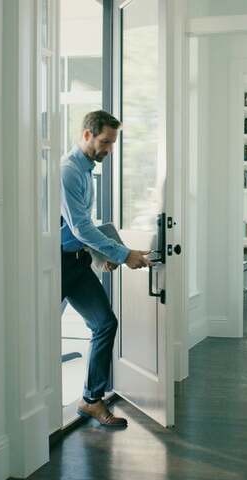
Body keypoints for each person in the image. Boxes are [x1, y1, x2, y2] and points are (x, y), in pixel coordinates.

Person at [61, 110, 151, 428]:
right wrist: (125, 254)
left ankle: (91, 401)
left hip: (77, 262)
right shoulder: (69, 171)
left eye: (112, 143)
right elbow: (81, 227)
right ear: (87, 134)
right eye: (104, 142)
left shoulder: (87, 172)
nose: (108, 150)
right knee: (41, 334)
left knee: (105, 323)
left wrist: (100, 255)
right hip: (56, 265)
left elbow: (80, 230)